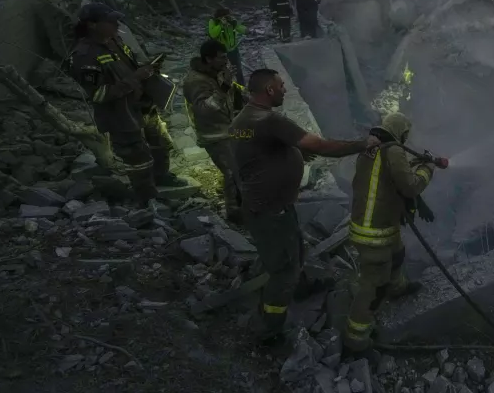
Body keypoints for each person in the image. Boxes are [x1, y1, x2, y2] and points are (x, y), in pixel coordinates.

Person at [230, 68, 380, 345]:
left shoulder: (243, 119)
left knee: (295, 250)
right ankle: (269, 325)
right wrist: (363, 144)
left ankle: (301, 285)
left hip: (266, 207)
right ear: (270, 90)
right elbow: (321, 146)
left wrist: (293, 153)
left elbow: (259, 152)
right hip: (269, 212)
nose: (285, 90)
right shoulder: (270, 121)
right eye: (281, 86)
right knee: (282, 272)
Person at [65, 3, 186, 206]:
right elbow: (99, 94)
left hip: (142, 106)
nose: (116, 24)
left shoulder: (115, 41)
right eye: (110, 21)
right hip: (120, 115)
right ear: (93, 25)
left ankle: (162, 177)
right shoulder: (84, 55)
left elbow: (129, 66)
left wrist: (147, 69)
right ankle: (147, 199)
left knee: (160, 143)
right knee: (138, 158)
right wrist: (135, 78)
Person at [344, 112, 436, 357]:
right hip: (375, 231)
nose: (407, 139)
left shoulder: (372, 148)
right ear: (401, 132)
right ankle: (356, 340)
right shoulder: (393, 151)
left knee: (398, 253)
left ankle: (397, 288)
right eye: (406, 134)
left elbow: (389, 175)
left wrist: (414, 164)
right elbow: (409, 186)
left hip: (371, 223)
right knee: (373, 285)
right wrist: (427, 169)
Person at [182, 40, 247, 224]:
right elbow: (204, 109)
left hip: (229, 129)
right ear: (208, 59)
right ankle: (234, 213)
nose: (226, 61)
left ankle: (244, 203)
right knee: (231, 172)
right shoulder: (195, 81)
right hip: (215, 135)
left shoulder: (215, 72)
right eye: (221, 58)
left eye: (226, 57)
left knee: (240, 166)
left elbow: (231, 94)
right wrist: (225, 86)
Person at [207, 7, 246, 81]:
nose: (228, 18)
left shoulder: (231, 21)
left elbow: (238, 27)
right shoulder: (213, 22)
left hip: (233, 49)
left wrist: (246, 30)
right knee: (223, 70)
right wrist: (221, 24)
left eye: (229, 16)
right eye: (226, 16)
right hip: (221, 51)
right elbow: (213, 34)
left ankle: (241, 86)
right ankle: (224, 86)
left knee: (237, 69)